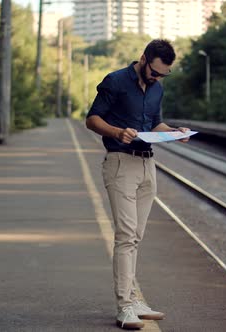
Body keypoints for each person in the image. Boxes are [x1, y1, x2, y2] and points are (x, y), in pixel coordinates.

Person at [85, 39, 190, 330]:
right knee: (126, 236)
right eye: (154, 72)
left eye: (163, 75)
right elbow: (92, 119)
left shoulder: (157, 88)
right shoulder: (116, 81)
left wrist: (175, 132)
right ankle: (124, 307)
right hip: (120, 163)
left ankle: (134, 298)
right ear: (144, 59)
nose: (157, 78)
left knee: (137, 237)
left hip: (147, 165)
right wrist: (117, 131)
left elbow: (154, 124)